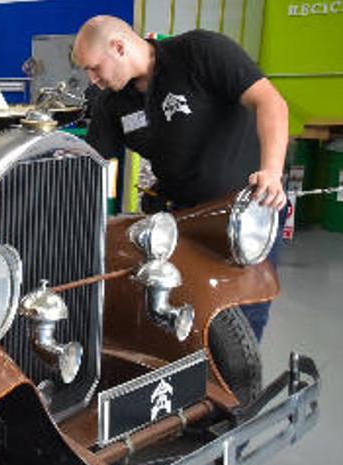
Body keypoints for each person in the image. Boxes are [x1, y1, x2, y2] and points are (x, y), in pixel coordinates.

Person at [73, 15, 289, 339]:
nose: (92, 80)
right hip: (179, 217)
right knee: (178, 305)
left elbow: (270, 102)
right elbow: (91, 165)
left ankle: (239, 388)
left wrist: (272, 171)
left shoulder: (199, 53)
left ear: (118, 47)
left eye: (94, 68)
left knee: (243, 313)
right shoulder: (112, 103)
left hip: (245, 209)